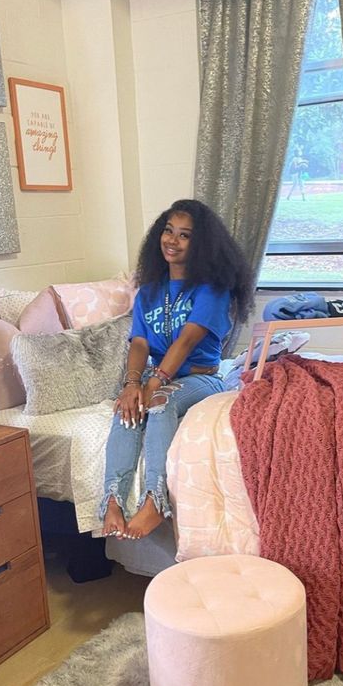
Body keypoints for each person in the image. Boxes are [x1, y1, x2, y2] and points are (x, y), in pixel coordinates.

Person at [100, 199, 253, 541]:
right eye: (168, 231)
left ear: (200, 245)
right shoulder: (149, 292)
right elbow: (139, 343)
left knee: (159, 402)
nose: (172, 240)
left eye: (184, 235)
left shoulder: (212, 289)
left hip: (203, 379)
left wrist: (154, 383)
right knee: (127, 408)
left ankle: (155, 499)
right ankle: (111, 499)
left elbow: (185, 341)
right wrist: (132, 384)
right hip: (158, 375)